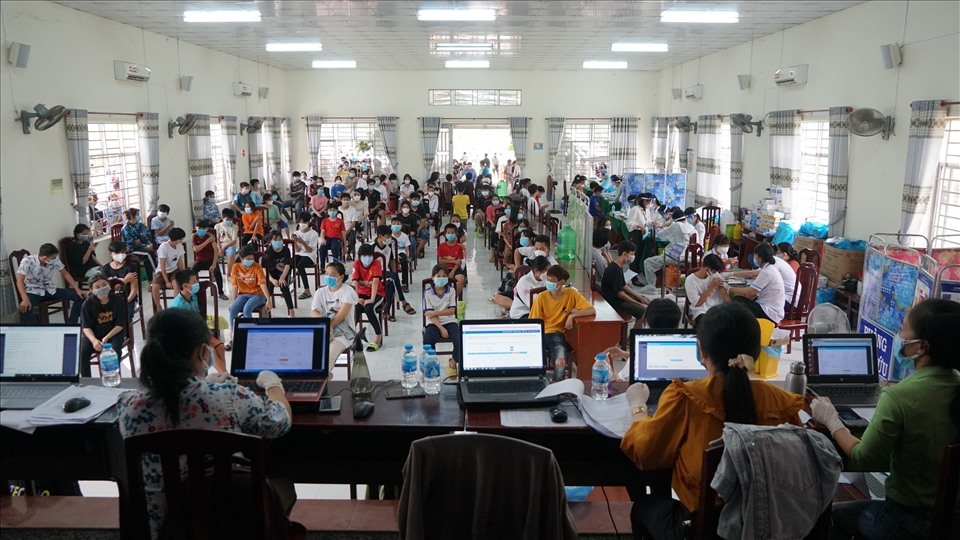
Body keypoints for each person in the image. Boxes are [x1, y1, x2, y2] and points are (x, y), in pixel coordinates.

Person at [620, 302, 804, 539]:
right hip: (770, 525)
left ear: (700, 351)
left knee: (644, 507)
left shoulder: (686, 397)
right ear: (757, 352)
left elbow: (647, 454)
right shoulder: (783, 404)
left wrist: (638, 407)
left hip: (705, 529)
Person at [118, 308, 293, 539]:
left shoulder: (128, 407)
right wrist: (273, 386)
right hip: (226, 528)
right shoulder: (230, 396)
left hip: (161, 532)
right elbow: (280, 421)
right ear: (203, 351)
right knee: (283, 482)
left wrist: (202, 381)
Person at [813, 299, 960, 539]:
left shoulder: (899, 396)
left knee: (832, 515)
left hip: (905, 523)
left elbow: (863, 459)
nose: (900, 336)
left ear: (921, 346)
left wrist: (832, 420)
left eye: (904, 330)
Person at [529, 266, 596, 378]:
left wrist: (572, 316)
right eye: (548, 280)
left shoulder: (571, 294)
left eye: (552, 281)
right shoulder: (541, 298)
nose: (548, 283)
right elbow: (534, 323)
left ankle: (557, 387)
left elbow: (591, 310)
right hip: (542, 333)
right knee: (560, 359)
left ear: (561, 282)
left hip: (558, 335)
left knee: (560, 360)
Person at [15, 243, 84, 325]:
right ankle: (35, 330)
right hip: (33, 291)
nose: (55, 259)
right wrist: (25, 299)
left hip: (50, 289)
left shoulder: (54, 261)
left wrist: (77, 289)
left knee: (79, 296)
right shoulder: (28, 261)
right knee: (25, 307)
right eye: (53, 258)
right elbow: (19, 281)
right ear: (45, 258)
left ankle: (72, 324)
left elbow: (65, 274)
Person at [79, 275, 127, 377]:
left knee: (115, 349)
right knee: (83, 351)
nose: (102, 288)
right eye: (97, 287)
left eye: (104, 285)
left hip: (114, 332)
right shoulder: (87, 304)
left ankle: (112, 376)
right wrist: (94, 340)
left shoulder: (118, 301)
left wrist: (107, 337)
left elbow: (120, 325)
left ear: (109, 285)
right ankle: (86, 380)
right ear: (92, 290)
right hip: (94, 333)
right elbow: (86, 327)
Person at [311, 261, 359, 362]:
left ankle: (324, 376)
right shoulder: (320, 292)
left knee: (329, 357)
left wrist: (328, 326)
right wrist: (323, 326)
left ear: (341, 277)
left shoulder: (348, 291)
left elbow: (341, 316)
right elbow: (314, 311)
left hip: (343, 333)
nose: (328, 277)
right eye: (327, 274)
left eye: (332, 275)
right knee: (309, 353)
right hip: (324, 328)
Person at [728, 243, 785, 323]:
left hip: (771, 313)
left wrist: (730, 288)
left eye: (755, 256)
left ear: (759, 256)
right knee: (742, 300)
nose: (755, 258)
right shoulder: (769, 268)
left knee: (737, 302)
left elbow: (751, 291)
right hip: (771, 308)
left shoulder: (767, 272)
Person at [228, 245, 272, 346]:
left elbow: (262, 284)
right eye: (248, 259)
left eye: (252, 259)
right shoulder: (236, 267)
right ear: (241, 258)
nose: (250, 261)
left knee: (247, 309)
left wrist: (268, 299)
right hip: (243, 294)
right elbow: (234, 286)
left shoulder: (257, 267)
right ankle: (234, 334)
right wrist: (234, 301)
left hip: (258, 295)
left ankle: (251, 334)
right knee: (233, 309)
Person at [641, 208, 696, 287]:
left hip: (675, 255)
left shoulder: (675, 225)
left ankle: (652, 287)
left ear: (674, 219)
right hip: (687, 256)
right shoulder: (691, 227)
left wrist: (666, 226)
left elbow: (661, 235)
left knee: (647, 262)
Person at [601, 241, 649, 329]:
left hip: (619, 298)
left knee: (645, 299)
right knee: (643, 312)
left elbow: (623, 285)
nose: (633, 257)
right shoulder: (614, 269)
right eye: (632, 254)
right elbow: (620, 294)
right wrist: (638, 303)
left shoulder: (619, 265)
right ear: (624, 253)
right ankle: (631, 338)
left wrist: (640, 298)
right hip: (615, 302)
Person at [372, 225, 417, 317]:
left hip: (387, 273)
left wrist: (395, 274)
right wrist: (394, 276)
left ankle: (387, 312)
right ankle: (404, 302)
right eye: (387, 237)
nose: (389, 239)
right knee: (393, 278)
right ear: (380, 236)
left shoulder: (388, 247)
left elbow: (392, 261)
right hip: (375, 274)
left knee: (391, 284)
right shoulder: (372, 248)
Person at [423, 264, 460, 373]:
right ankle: (432, 364)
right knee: (428, 340)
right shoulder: (428, 293)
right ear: (432, 277)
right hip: (433, 323)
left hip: (450, 321)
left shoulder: (451, 291)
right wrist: (441, 328)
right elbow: (430, 316)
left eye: (444, 276)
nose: (441, 279)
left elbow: (451, 311)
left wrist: (435, 312)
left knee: (460, 340)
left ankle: (453, 361)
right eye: (438, 276)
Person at [352, 243, 385, 352]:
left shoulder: (376, 263)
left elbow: (375, 282)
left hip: (377, 293)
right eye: (364, 256)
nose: (367, 258)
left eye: (369, 255)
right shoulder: (356, 264)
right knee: (357, 307)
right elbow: (355, 282)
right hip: (362, 292)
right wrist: (356, 298)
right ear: (360, 256)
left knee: (369, 307)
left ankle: (378, 338)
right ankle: (352, 336)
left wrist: (371, 298)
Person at [684, 254, 729, 326]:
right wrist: (711, 288)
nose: (717, 273)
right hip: (701, 311)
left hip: (719, 309)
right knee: (708, 324)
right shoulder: (690, 280)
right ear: (707, 269)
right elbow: (697, 303)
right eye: (715, 271)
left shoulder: (716, 275)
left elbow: (725, 295)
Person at [150, 227, 186, 311]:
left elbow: (180, 262)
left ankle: (175, 306)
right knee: (154, 287)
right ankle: (158, 306)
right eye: (181, 239)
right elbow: (162, 266)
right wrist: (166, 281)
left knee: (176, 284)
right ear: (176, 239)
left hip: (174, 270)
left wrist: (183, 274)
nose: (181, 240)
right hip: (162, 271)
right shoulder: (164, 247)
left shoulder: (179, 246)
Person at [191, 219, 228, 300]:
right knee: (190, 273)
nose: (201, 230)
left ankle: (221, 293)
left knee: (218, 273)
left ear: (207, 228)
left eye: (203, 228)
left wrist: (214, 264)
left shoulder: (210, 236)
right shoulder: (194, 236)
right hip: (200, 261)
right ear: (196, 227)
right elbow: (196, 249)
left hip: (211, 260)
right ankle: (191, 292)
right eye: (199, 228)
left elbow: (216, 251)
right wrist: (208, 241)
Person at [100, 241, 140, 314]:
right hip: (111, 300)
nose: (121, 255)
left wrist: (126, 301)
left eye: (123, 252)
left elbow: (134, 290)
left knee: (124, 315)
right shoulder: (105, 269)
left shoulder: (130, 267)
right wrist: (124, 281)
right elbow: (107, 290)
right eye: (117, 253)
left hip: (128, 299)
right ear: (110, 254)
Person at [263, 231, 295, 317]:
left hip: (284, 273)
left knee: (284, 286)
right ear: (270, 241)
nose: (278, 241)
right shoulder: (267, 252)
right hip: (271, 275)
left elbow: (287, 266)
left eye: (280, 239)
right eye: (275, 240)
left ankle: (291, 311)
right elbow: (264, 269)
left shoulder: (286, 250)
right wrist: (272, 280)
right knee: (268, 288)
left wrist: (282, 278)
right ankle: (267, 310)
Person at [121, 207, 156, 279]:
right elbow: (131, 243)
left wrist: (149, 244)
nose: (139, 216)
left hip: (143, 247)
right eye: (137, 214)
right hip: (132, 250)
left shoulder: (140, 225)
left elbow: (147, 236)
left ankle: (151, 281)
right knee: (149, 253)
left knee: (151, 254)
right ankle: (157, 273)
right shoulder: (126, 228)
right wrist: (144, 245)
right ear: (131, 216)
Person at [291, 212, 319, 300]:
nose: (302, 224)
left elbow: (310, 250)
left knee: (300, 265)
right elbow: (297, 250)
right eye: (300, 222)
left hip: (310, 255)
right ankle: (287, 286)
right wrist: (294, 242)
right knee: (290, 263)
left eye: (304, 222)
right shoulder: (296, 232)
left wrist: (302, 242)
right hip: (299, 254)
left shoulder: (313, 233)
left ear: (308, 222)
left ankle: (307, 290)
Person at [437, 223, 466, 298]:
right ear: (445, 234)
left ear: (456, 234)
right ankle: (441, 297)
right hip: (443, 268)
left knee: (461, 279)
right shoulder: (441, 246)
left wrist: (452, 271)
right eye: (448, 232)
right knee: (439, 280)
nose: (450, 234)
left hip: (455, 269)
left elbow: (458, 262)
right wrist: (453, 261)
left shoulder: (459, 247)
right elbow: (441, 260)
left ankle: (453, 298)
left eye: (452, 232)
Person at [215, 208, 240, 289]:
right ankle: (213, 273)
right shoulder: (217, 226)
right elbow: (217, 239)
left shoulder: (234, 227)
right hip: (219, 245)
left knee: (232, 253)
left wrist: (224, 247)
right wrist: (219, 248)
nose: (229, 221)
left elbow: (234, 241)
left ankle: (228, 274)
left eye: (230, 219)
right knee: (212, 254)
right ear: (222, 217)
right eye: (227, 219)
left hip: (229, 245)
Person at [318, 201, 345, 269]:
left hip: (337, 238)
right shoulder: (324, 221)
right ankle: (322, 267)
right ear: (327, 211)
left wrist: (344, 245)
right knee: (322, 248)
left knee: (335, 247)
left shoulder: (340, 221)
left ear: (337, 211)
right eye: (330, 210)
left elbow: (343, 233)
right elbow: (322, 231)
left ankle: (335, 266)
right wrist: (322, 238)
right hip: (327, 238)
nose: (332, 212)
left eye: (334, 210)